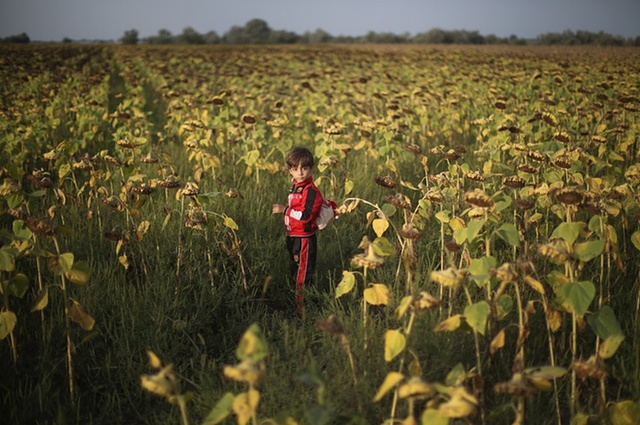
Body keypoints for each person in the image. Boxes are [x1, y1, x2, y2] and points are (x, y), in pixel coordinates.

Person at [272, 147, 324, 318]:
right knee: (295, 271)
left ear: (311, 168)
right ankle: (305, 303)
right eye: (295, 169)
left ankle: (301, 312)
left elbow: (305, 216)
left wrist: (284, 210)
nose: (300, 173)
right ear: (290, 171)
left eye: (304, 168)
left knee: (302, 274)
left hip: (304, 239)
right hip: (293, 236)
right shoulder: (295, 187)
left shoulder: (311, 191)